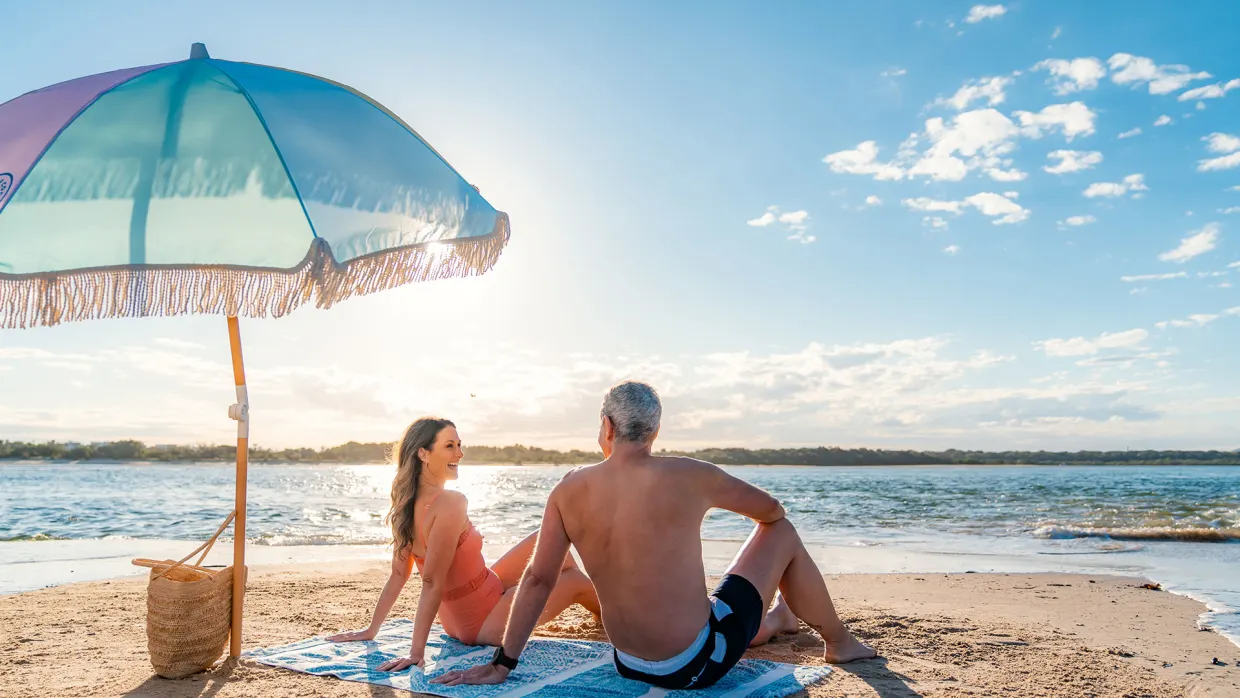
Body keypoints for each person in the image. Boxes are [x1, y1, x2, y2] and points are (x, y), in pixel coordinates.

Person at [432, 382, 875, 690]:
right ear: (655, 432)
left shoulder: (568, 488)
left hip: (628, 663)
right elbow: (773, 512)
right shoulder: (691, 475)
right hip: (695, 666)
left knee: (720, 614)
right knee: (782, 534)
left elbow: (536, 581)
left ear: (606, 426)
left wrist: (503, 664)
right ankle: (838, 643)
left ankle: (779, 619)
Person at [326, 417, 600, 671]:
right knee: (574, 579)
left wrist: (372, 630)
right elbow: (431, 581)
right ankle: (609, 615)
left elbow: (399, 574)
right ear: (423, 454)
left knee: (549, 540)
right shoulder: (450, 502)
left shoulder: (406, 506)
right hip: (483, 621)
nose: (459, 453)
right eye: (449, 446)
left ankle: (593, 613)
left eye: (459, 445)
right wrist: (416, 653)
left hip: (465, 610)